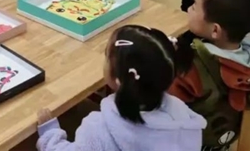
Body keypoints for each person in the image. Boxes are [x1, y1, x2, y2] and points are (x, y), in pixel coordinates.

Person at [36, 25, 206, 151]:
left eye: (106, 56)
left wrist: (50, 135)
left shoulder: (99, 129)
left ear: (119, 80)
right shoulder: (184, 119)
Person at [170, 0, 250, 151]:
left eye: (194, 6)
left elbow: (165, 103)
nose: (188, 9)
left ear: (215, 30)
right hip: (223, 140)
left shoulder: (195, 66)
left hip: (194, 143)